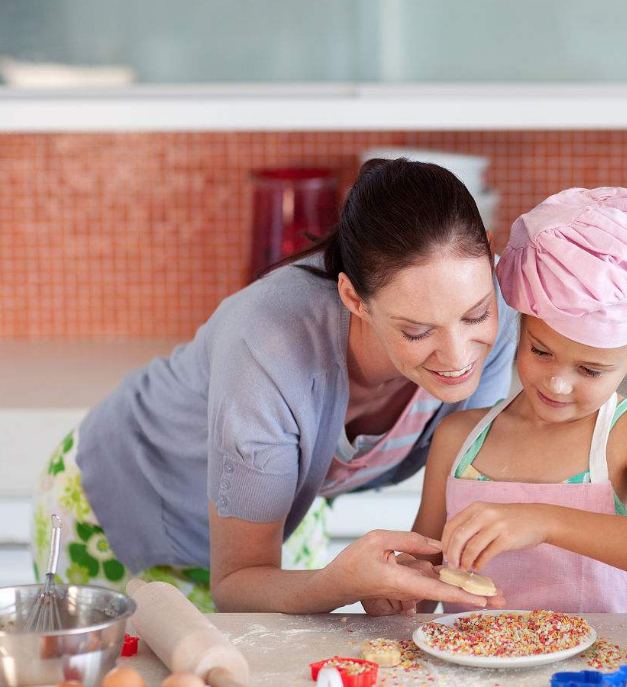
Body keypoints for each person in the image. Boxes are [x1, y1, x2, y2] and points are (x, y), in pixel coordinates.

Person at [30, 158, 517, 613]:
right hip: (123, 507)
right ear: (353, 298)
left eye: (476, 315)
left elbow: (457, 482)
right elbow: (237, 584)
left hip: (281, 519)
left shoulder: (495, 312)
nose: (458, 355)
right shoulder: (267, 350)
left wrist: (409, 587)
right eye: (417, 332)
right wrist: (343, 584)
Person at [407, 187, 627, 614]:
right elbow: (422, 580)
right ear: (520, 326)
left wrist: (544, 521)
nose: (557, 384)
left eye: (590, 370)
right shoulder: (458, 438)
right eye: (540, 351)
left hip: (600, 658)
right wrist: (396, 591)